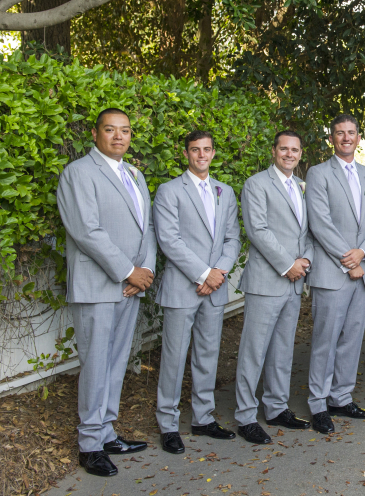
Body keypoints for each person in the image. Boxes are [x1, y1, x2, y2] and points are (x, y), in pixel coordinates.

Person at [55, 108, 156, 477]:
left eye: (125, 131)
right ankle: (89, 444)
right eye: (110, 130)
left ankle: (107, 432)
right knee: (96, 364)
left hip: (130, 288)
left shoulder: (135, 174)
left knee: (115, 362)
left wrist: (144, 273)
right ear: (95, 134)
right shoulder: (78, 173)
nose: (119, 137)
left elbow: (147, 229)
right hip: (98, 286)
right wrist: (129, 271)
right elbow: (86, 231)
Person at [153, 130, 242, 454]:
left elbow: (233, 239)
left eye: (206, 149)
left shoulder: (226, 192)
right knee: (174, 358)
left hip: (214, 290)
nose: (201, 155)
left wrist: (218, 273)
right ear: (186, 153)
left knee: (208, 356)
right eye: (195, 150)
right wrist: (204, 273)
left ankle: (203, 418)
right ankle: (168, 424)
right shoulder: (169, 191)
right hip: (183, 288)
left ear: (213, 153)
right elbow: (169, 240)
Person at [306, 115, 365, 434]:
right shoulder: (318, 174)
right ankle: (318, 404)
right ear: (331, 139)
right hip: (332, 272)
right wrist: (348, 258)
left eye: (351, 132)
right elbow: (320, 223)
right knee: (325, 340)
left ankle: (340, 397)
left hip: (363, 270)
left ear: (358, 137)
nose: (346, 137)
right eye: (339, 133)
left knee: (351, 339)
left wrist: (364, 253)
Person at [233, 130, 314, 444]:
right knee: (254, 351)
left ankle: (277, 407)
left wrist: (304, 260)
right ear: (274, 151)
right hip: (268, 280)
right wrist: (288, 264)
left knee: (282, 349)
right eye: (284, 149)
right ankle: (244, 415)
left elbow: (307, 231)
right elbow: (258, 230)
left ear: (300, 153)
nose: (289, 154)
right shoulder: (256, 184)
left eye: (294, 150)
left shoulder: (300, 186)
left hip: (294, 281)